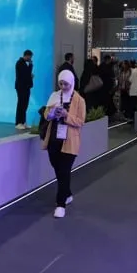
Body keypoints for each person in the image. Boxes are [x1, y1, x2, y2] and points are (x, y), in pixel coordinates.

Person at [41, 70, 85, 219]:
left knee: (65, 170)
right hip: (54, 138)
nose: (63, 86)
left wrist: (67, 116)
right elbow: (46, 115)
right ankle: (67, 193)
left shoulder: (79, 100)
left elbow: (80, 121)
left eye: (66, 84)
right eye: (61, 83)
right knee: (57, 167)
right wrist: (52, 113)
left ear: (71, 82)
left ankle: (60, 204)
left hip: (70, 140)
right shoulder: (54, 95)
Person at [14, 49, 34, 129]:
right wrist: (31, 66)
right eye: (30, 57)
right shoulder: (20, 63)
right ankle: (18, 122)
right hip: (21, 87)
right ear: (27, 56)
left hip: (26, 87)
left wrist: (29, 75)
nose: (30, 59)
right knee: (21, 104)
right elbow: (25, 74)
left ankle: (23, 122)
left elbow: (26, 73)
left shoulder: (24, 63)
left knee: (25, 105)